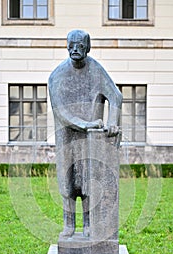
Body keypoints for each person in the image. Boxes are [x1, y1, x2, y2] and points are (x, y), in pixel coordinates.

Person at [48, 29, 122, 238]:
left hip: (92, 138)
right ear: (67, 46)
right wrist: (86, 124)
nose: (75, 50)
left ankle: (89, 225)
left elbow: (116, 97)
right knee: (67, 181)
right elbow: (61, 112)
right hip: (66, 137)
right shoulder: (57, 76)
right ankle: (69, 225)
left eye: (80, 46)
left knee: (89, 180)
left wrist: (112, 123)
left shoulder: (96, 71)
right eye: (71, 45)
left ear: (87, 48)